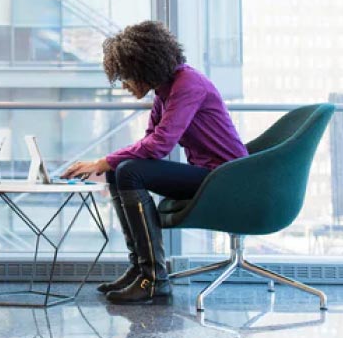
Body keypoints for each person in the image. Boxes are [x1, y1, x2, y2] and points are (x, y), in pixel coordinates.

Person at [62, 21, 248, 304]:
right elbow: (150, 140)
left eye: (126, 76)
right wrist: (107, 165)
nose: (123, 85)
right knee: (120, 171)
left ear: (143, 68)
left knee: (128, 170)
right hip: (209, 175)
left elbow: (160, 145)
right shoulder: (167, 90)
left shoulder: (188, 85)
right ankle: (140, 270)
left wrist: (102, 160)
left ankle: (154, 278)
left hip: (227, 179)